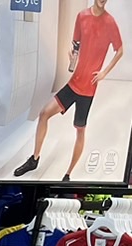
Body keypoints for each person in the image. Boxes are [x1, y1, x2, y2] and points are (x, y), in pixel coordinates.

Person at [14, 0, 123, 180]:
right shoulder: (82, 17)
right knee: (44, 114)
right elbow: (76, 44)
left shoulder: (110, 22)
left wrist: (104, 72)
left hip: (88, 89)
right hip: (74, 83)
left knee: (80, 129)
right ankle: (34, 159)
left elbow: (120, 50)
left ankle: (68, 174)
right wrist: (72, 55)